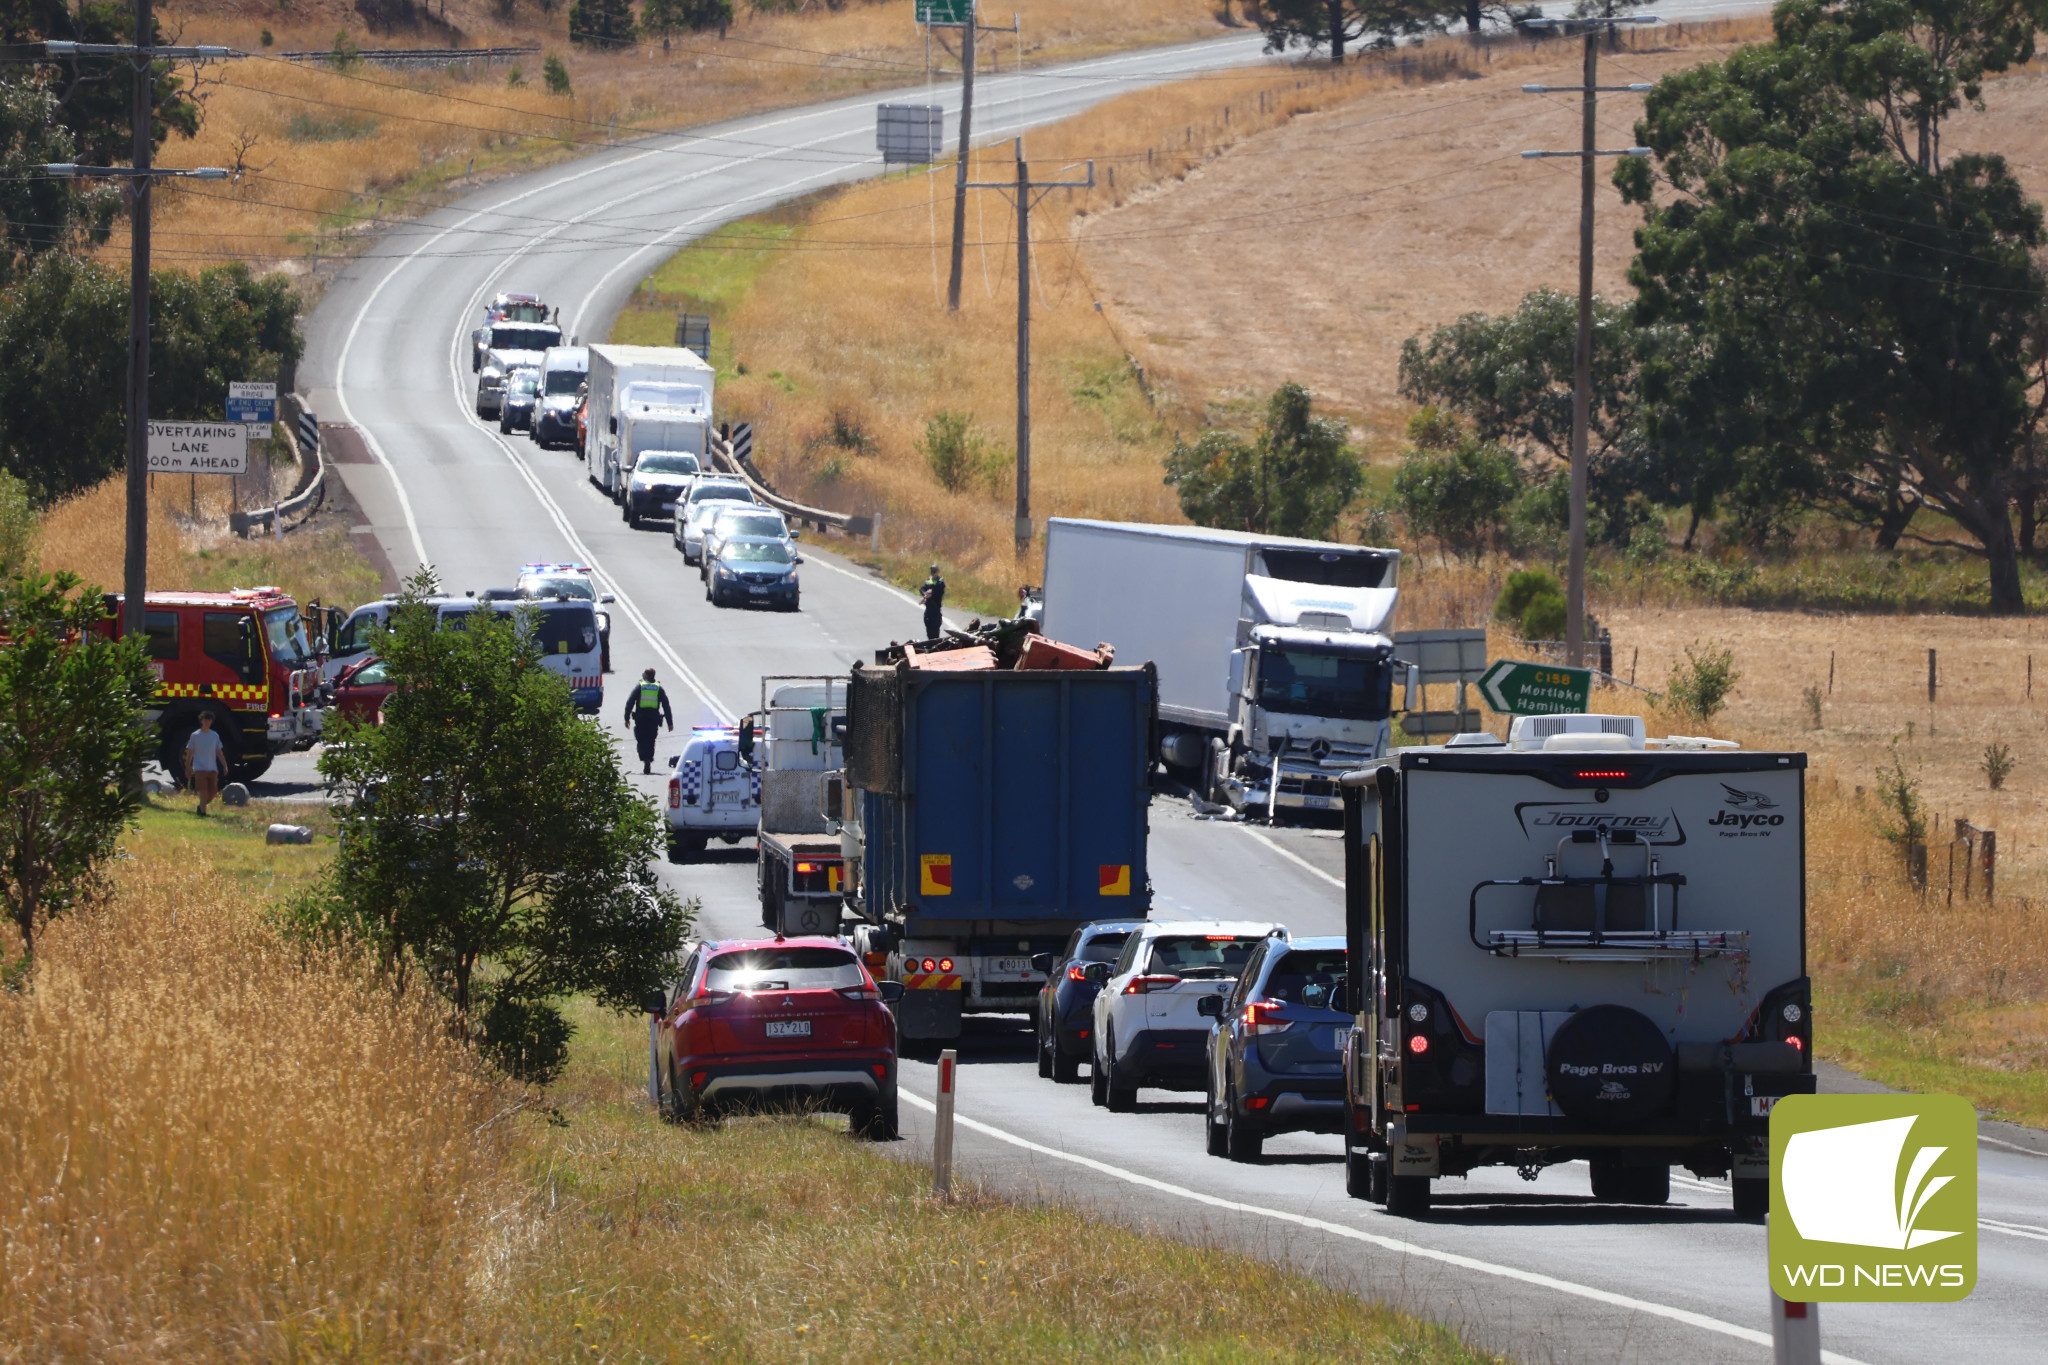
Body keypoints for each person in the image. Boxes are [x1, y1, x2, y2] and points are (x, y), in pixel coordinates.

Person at [623, 667, 674, 774]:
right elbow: (666, 705)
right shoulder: (658, 688)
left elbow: (630, 702)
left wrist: (626, 718)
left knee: (641, 740)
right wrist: (670, 722)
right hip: (653, 719)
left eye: (644, 673)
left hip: (641, 719)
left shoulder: (640, 687)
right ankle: (649, 759)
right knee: (651, 740)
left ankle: (645, 758)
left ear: (646, 675)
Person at [184, 711, 226, 817]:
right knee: (202, 791)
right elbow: (190, 753)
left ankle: (201, 806)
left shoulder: (214, 735)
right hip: (199, 768)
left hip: (212, 768)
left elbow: (219, 752)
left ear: (211, 722)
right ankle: (203, 813)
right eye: (205, 720)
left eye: (209, 720)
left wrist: (225, 765)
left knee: (212, 793)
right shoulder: (195, 735)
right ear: (201, 721)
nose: (207, 722)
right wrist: (188, 768)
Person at [919, 564, 946, 641]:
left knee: (935, 631)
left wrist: (931, 592)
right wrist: (925, 594)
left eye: (935, 571)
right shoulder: (928, 581)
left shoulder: (940, 581)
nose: (933, 573)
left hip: (936, 609)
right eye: (932, 572)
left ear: (938, 572)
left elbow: (939, 589)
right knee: (929, 629)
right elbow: (922, 589)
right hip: (928, 609)